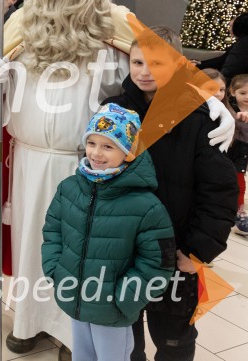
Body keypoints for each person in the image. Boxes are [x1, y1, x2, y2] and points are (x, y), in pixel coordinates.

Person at [0, 0, 235, 359]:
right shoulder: (21, 23)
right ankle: (30, 321)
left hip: (93, 166)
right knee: (36, 246)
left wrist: (212, 100)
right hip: (30, 164)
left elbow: (163, 68)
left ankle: (76, 334)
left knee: (88, 254)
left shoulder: (117, 21)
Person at [104, 27, 237, 361]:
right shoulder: (113, 110)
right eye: (138, 62)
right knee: (125, 334)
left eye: (157, 63)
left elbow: (219, 191)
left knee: (173, 336)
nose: (144, 72)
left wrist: (197, 250)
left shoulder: (200, 118)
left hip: (175, 249)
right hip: (123, 247)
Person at [42, 104, 175, 361]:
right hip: (74, 296)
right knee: (82, 354)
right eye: (91, 143)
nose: (96, 153)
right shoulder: (69, 188)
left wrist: (123, 300)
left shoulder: (146, 206)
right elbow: (53, 232)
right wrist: (55, 271)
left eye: (108, 146)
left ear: (129, 152)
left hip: (113, 310)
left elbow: (157, 262)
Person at [224, 72, 248, 234]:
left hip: (243, 152)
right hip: (228, 149)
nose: (247, 97)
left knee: (240, 181)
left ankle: (239, 211)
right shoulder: (228, 107)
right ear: (233, 92)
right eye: (243, 93)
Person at [198, 12, 248, 81]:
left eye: (231, 26)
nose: (230, 29)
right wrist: (199, 63)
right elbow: (222, 60)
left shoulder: (242, 44)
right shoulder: (240, 43)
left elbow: (227, 69)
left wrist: (198, 65)